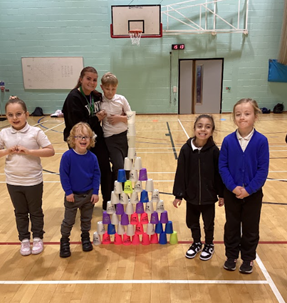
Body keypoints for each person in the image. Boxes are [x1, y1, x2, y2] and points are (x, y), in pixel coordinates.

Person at [219, 98, 269, 274]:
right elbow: (222, 166)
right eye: (238, 114)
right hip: (232, 192)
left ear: (255, 116)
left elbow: (262, 170)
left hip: (252, 194)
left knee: (250, 227)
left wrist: (249, 190)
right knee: (231, 226)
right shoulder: (227, 141)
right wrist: (232, 187)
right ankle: (231, 255)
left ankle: (248, 258)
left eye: (247, 114)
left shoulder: (261, 141)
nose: (242, 117)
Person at [0, 96, 55, 256]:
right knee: (20, 212)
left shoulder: (35, 132)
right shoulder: (4, 133)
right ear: (6, 116)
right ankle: (24, 240)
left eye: (18, 114)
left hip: (33, 181)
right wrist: (7, 151)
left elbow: (50, 150)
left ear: (26, 114)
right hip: (13, 181)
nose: (15, 118)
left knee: (35, 211)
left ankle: (38, 238)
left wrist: (30, 151)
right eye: (10, 115)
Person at [172, 114, 224, 261]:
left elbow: (219, 174)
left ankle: (209, 244)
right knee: (192, 222)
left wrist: (221, 194)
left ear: (212, 130)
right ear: (194, 128)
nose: (203, 129)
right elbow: (181, 173)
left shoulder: (214, 151)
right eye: (200, 126)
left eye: (208, 127)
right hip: (191, 196)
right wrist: (179, 194)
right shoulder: (186, 150)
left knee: (209, 223)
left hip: (208, 197)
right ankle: (196, 243)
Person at [62, 66, 112, 210]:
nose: (91, 82)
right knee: (80, 172)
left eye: (94, 80)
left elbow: (110, 95)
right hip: (78, 140)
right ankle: (78, 202)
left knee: (105, 170)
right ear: (81, 79)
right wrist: (96, 117)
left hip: (96, 138)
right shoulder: (73, 98)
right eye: (88, 79)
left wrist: (108, 81)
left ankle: (107, 202)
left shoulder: (95, 95)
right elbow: (78, 127)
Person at [59, 122, 100, 258]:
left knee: (86, 220)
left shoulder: (92, 158)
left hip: (88, 195)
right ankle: (64, 241)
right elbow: (64, 176)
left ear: (90, 139)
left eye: (86, 137)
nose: (83, 140)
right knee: (69, 221)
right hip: (73, 196)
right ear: (73, 139)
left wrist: (95, 192)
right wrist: (68, 192)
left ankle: (85, 237)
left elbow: (96, 175)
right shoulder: (67, 156)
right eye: (79, 137)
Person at [100, 72, 131, 181]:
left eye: (113, 89)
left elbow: (131, 117)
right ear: (102, 87)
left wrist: (120, 118)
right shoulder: (100, 102)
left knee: (127, 167)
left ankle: (126, 193)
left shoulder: (121, 99)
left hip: (124, 137)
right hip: (110, 139)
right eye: (107, 89)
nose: (110, 92)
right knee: (118, 166)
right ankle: (115, 193)